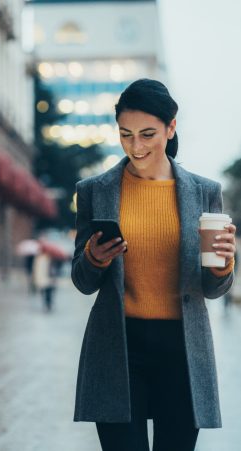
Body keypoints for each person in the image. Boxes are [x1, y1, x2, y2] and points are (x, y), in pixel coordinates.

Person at [71, 79, 236, 451]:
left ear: (171, 127)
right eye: (126, 134)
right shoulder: (94, 190)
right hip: (117, 345)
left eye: (148, 134)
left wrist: (224, 266)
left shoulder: (204, 192)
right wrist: (93, 260)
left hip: (182, 350)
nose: (136, 146)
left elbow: (212, 289)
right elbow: (82, 281)